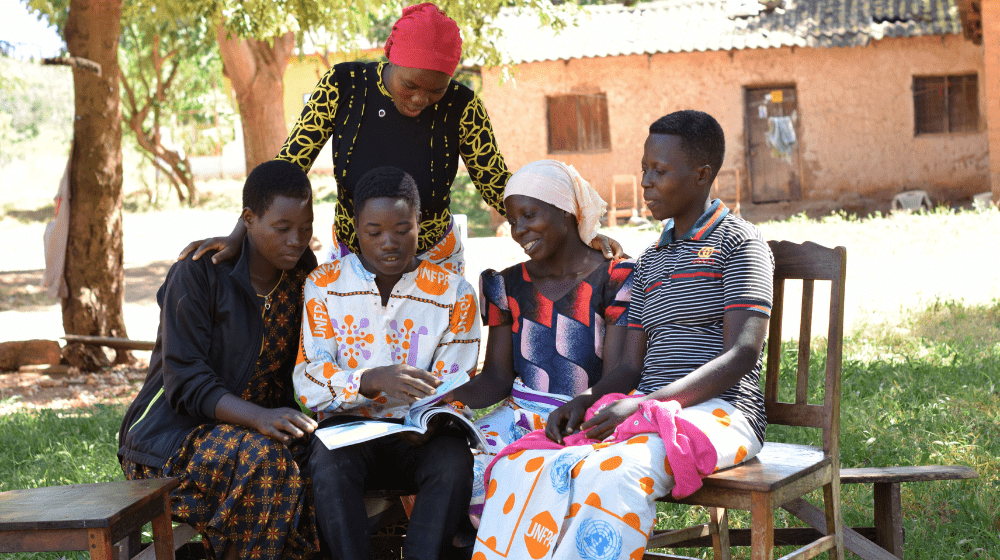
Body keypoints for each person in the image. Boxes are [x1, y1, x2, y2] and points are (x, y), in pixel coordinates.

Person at [471, 110, 775, 560]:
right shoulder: (650, 261)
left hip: (723, 413)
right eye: (644, 170)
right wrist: (586, 401)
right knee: (523, 463)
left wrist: (648, 403)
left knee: (615, 473)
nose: (647, 182)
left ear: (701, 175)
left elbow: (743, 352)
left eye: (661, 171)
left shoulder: (740, 243)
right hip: (646, 414)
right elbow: (629, 366)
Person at [178, 2, 622, 272]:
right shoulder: (342, 86)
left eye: (436, 89)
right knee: (363, 375)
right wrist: (241, 232)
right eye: (410, 85)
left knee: (430, 381)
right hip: (355, 253)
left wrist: (578, 232)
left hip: (434, 257)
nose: (421, 100)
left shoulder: (463, 105)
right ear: (390, 56)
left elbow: (497, 185)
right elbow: (290, 164)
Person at [117, 160, 320, 560]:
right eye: (282, 228)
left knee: (327, 461)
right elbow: (185, 382)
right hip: (169, 442)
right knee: (266, 465)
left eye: (307, 227)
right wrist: (259, 417)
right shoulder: (197, 275)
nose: (297, 240)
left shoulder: (303, 277)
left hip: (256, 438)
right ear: (248, 220)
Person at [295, 166, 481, 560]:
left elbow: (458, 383)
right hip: (349, 430)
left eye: (402, 228)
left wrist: (433, 417)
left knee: (453, 462)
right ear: (355, 229)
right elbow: (309, 379)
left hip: (421, 436)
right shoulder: (325, 285)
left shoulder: (454, 294)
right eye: (373, 231)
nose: (389, 243)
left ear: (419, 224)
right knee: (328, 464)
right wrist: (370, 379)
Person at [441, 160, 634, 522]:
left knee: (547, 469)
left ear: (567, 211)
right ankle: (475, 543)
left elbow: (621, 372)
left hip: (588, 415)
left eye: (529, 215)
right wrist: (441, 403)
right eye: (513, 220)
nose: (519, 229)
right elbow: (497, 378)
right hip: (520, 414)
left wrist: (581, 409)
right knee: (451, 461)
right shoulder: (505, 285)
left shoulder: (615, 278)